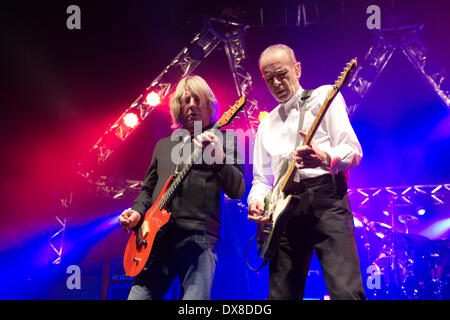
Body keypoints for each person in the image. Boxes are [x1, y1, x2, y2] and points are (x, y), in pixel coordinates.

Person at [247, 44, 366, 300]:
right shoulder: (266, 124)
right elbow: (261, 179)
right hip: (283, 212)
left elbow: (353, 150)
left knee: (346, 292)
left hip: (326, 199)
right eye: (269, 79)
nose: (277, 83)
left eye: (282, 74)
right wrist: (257, 200)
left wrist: (324, 158)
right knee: (280, 296)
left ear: (297, 69)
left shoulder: (325, 95)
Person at [119, 75, 245, 300]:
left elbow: (237, 189)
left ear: (209, 105)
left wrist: (217, 157)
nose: (191, 106)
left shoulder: (224, 138)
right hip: (156, 238)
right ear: (178, 107)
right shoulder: (164, 146)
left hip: (199, 236)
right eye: (185, 101)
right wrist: (137, 213)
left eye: (198, 100)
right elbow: (147, 191)